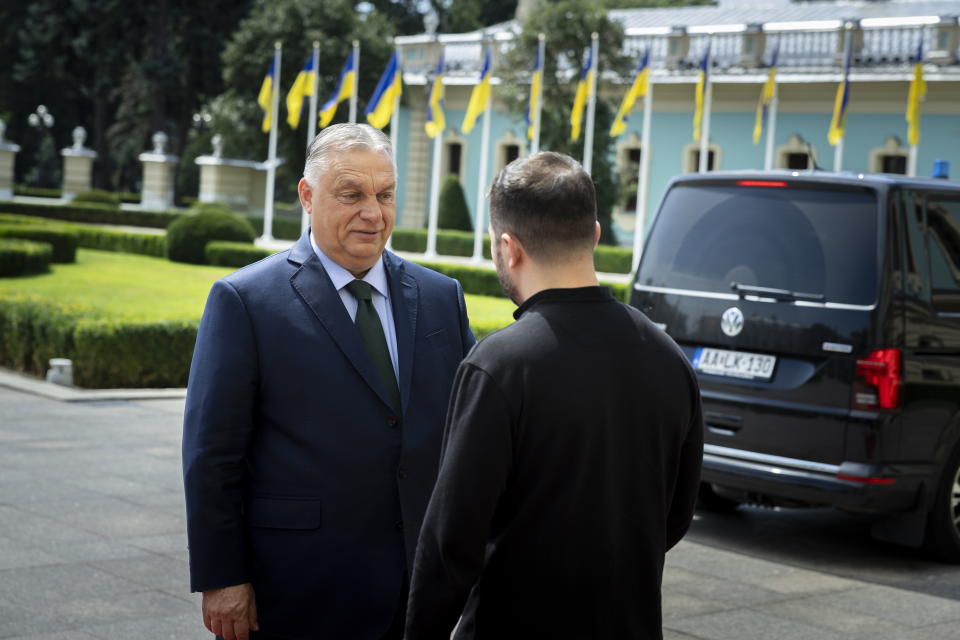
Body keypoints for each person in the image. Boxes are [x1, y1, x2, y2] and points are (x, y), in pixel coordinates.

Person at [182, 123, 475, 640]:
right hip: (299, 587)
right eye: (352, 194)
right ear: (307, 196)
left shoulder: (440, 297)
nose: (373, 212)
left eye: (385, 195)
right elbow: (213, 454)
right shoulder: (245, 301)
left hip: (421, 590)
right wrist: (222, 576)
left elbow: (470, 435)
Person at [405, 152, 703, 640]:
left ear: (509, 248)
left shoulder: (498, 364)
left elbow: (450, 544)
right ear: (595, 235)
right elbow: (675, 517)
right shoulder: (670, 358)